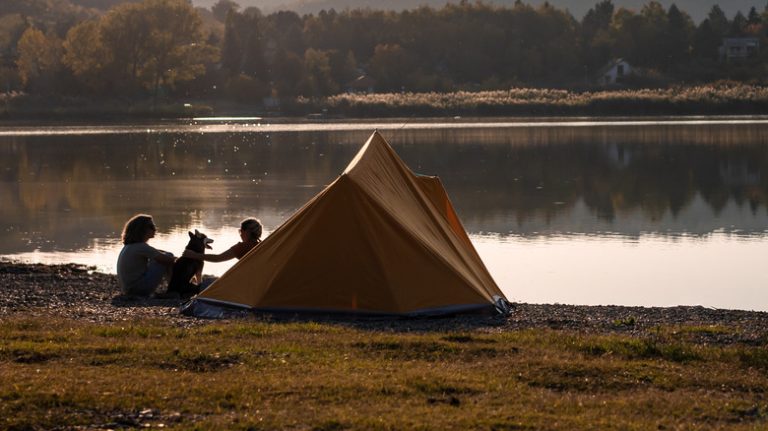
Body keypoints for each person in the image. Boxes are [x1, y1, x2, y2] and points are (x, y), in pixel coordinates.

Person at [116, 214, 176, 296]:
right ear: (141, 230)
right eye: (151, 227)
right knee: (168, 256)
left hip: (129, 289)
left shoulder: (132, 246)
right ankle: (175, 288)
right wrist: (191, 258)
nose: (155, 229)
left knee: (163, 256)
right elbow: (168, 259)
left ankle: (173, 287)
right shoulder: (140, 247)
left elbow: (156, 253)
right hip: (136, 290)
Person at [182, 218, 262, 263]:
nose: (240, 234)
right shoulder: (262, 245)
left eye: (240, 231)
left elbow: (218, 258)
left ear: (247, 232)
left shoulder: (243, 247)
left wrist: (193, 255)